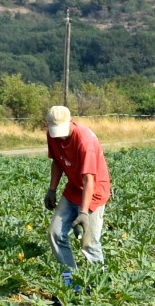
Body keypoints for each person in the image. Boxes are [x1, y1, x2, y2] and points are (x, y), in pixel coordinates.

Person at [44, 104, 111, 278]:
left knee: (88, 242)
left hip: (94, 192)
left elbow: (89, 179)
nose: (59, 137)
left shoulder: (85, 141)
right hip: (73, 189)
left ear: (70, 122)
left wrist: (83, 212)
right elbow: (57, 161)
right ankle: (70, 280)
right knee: (55, 233)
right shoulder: (53, 135)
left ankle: (99, 286)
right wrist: (52, 189)